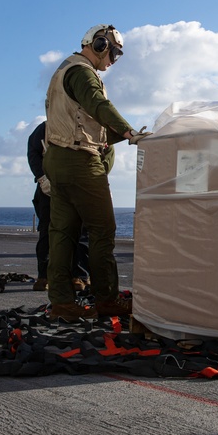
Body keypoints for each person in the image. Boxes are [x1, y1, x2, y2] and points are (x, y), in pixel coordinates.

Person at [44, 24, 150, 321]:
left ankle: (62, 303)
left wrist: (118, 135)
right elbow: (98, 104)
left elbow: (86, 122)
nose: (112, 62)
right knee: (103, 230)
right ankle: (107, 299)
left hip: (57, 158)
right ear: (100, 44)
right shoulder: (82, 72)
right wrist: (129, 131)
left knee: (62, 234)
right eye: (113, 54)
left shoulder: (63, 71)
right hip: (80, 161)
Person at [27, 120, 90, 293]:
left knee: (82, 233)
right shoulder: (45, 128)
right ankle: (44, 276)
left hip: (79, 184)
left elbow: (104, 152)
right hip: (49, 187)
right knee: (47, 232)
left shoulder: (87, 125)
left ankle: (80, 275)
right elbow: (33, 152)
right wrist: (42, 178)